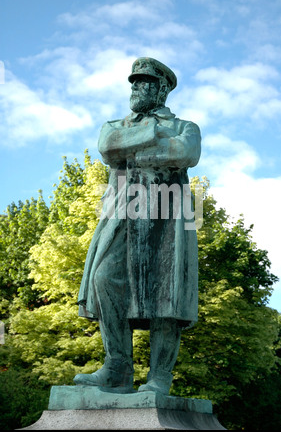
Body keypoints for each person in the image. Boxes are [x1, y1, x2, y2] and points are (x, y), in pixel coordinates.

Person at [74, 57, 201, 395]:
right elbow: (107, 146)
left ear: (161, 89)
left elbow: (184, 152)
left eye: (143, 82)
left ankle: (159, 377)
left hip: (167, 213)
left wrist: (134, 147)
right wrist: (152, 134)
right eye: (133, 81)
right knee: (104, 277)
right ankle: (117, 367)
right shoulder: (115, 125)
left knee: (166, 293)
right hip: (121, 214)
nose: (134, 87)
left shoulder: (185, 126)